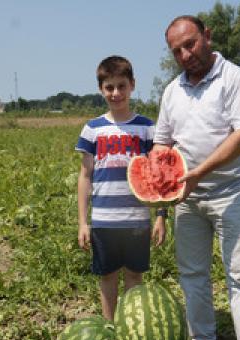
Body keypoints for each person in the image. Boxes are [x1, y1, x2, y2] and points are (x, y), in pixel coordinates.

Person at [152, 15, 240, 340]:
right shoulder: (173, 91)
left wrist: (198, 172)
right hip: (188, 197)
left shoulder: (236, 80)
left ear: (207, 36)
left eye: (190, 44)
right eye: (177, 51)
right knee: (192, 273)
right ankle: (202, 339)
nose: (186, 54)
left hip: (232, 193)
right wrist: (159, 186)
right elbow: (162, 143)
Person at [75, 55, 167, 321]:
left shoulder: (148, 128)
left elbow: (159, 176)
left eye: (121, 86)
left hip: (137, 219)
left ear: (132, 85)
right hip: (104, 220)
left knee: (134, 276)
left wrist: (161, 215)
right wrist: (83, 222)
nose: (116, 93)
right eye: (109, 87)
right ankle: (110, 327)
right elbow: (85, 176)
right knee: (107, 276)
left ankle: (131, 327)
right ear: (101, 89)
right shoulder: (93, 129)